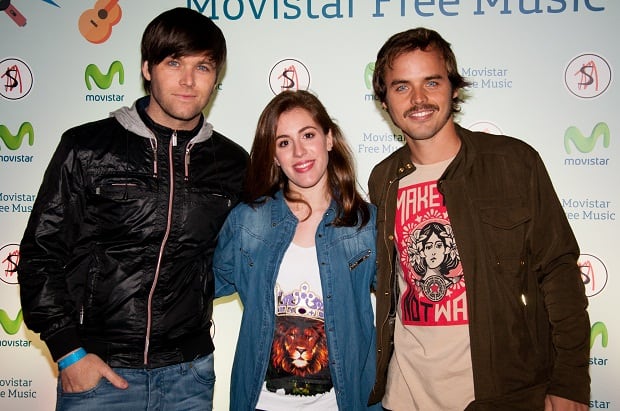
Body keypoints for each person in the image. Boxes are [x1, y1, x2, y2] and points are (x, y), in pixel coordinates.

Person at [17, 7, 248, 410]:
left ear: (217, 77)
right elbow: (40, 255)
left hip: (188, 376)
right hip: (98, 372)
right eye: (174, 63)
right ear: (147, 68)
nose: (189, 81)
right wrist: (68, 351)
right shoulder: (87, 147)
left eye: (203, 67)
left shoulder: (232, 163)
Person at [367, 27, 590, 410]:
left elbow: (558, 272)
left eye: (431, 82)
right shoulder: (383, 178)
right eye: (401, 87)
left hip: (501, 396)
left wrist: (569, 382)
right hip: (404, 397)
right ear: (384, 101)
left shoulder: (513, 163)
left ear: (454, 88)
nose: (418, 99)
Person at [213, 90, 381, 410]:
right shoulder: (248, 221)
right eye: (284, 142)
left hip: (343, 403)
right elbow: (195, 289)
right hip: (261, 402)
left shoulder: (366, 224)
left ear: (329, 138)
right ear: (274, 156)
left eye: (308, 135)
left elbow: (400, 308)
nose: (299, 151)